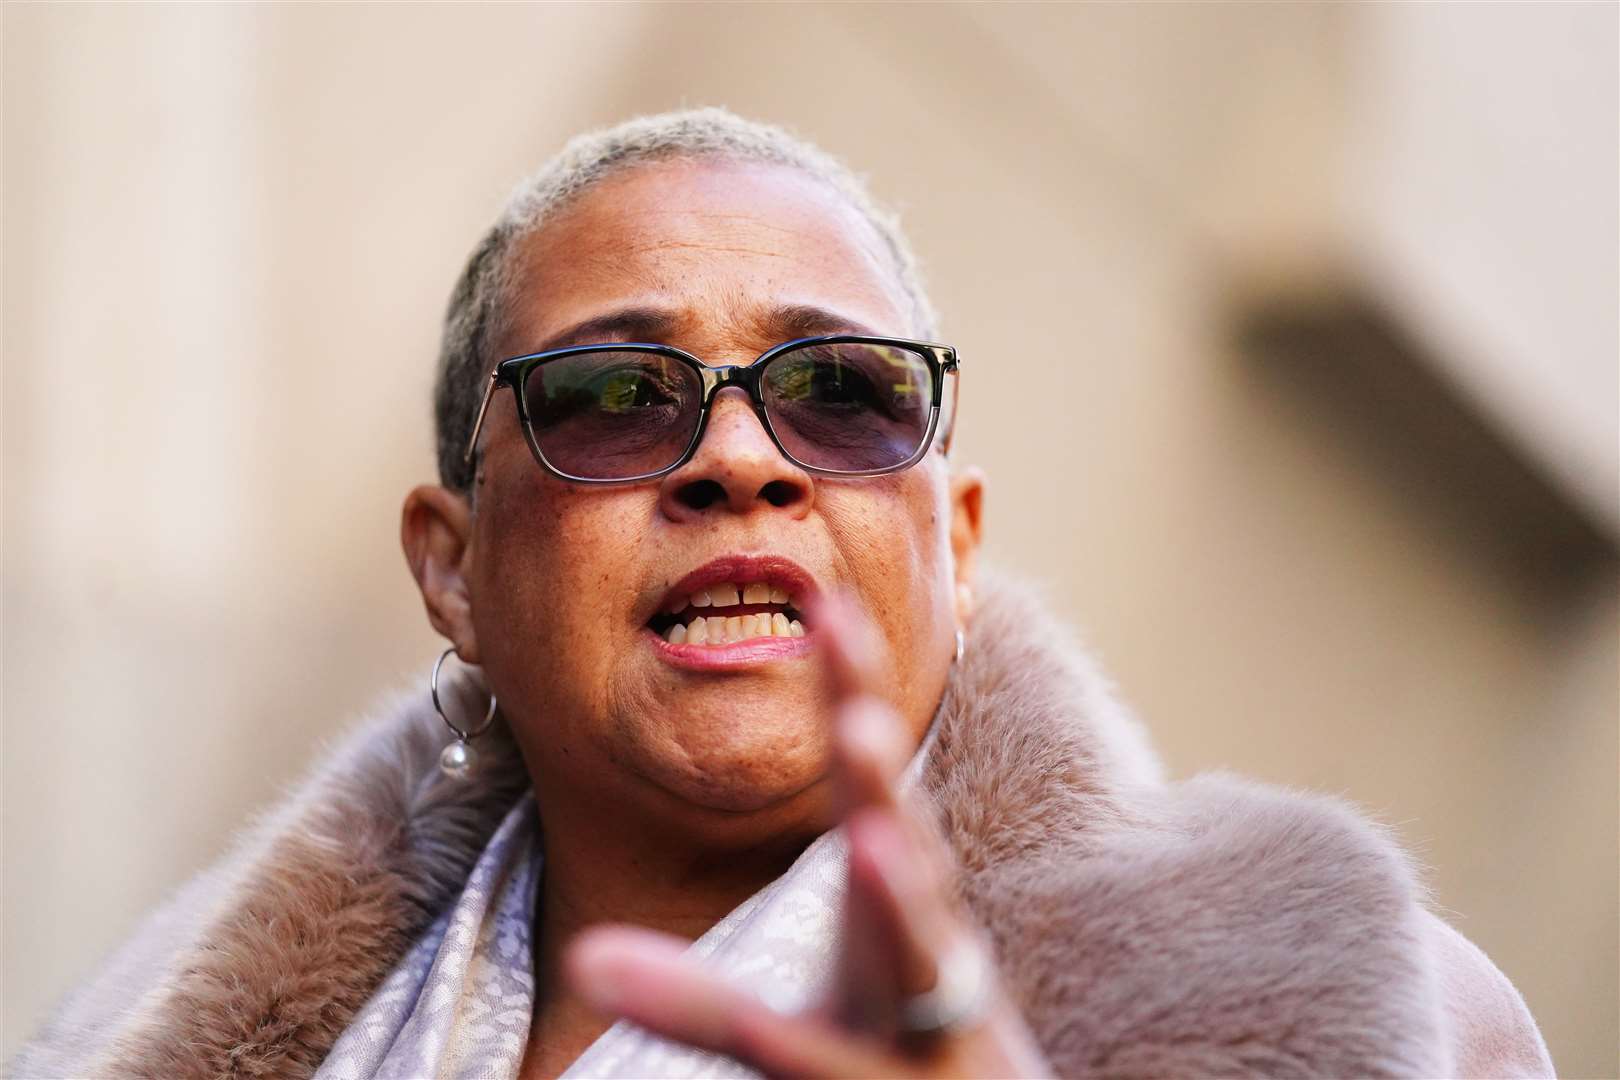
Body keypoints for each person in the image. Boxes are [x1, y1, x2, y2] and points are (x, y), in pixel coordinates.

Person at [10, 108, 1552, 1080]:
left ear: (955, 538)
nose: (740, 458)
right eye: (615, 393)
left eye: (842, 388)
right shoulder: (122, 1039)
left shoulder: (1374, 1016)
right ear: (453, 568)